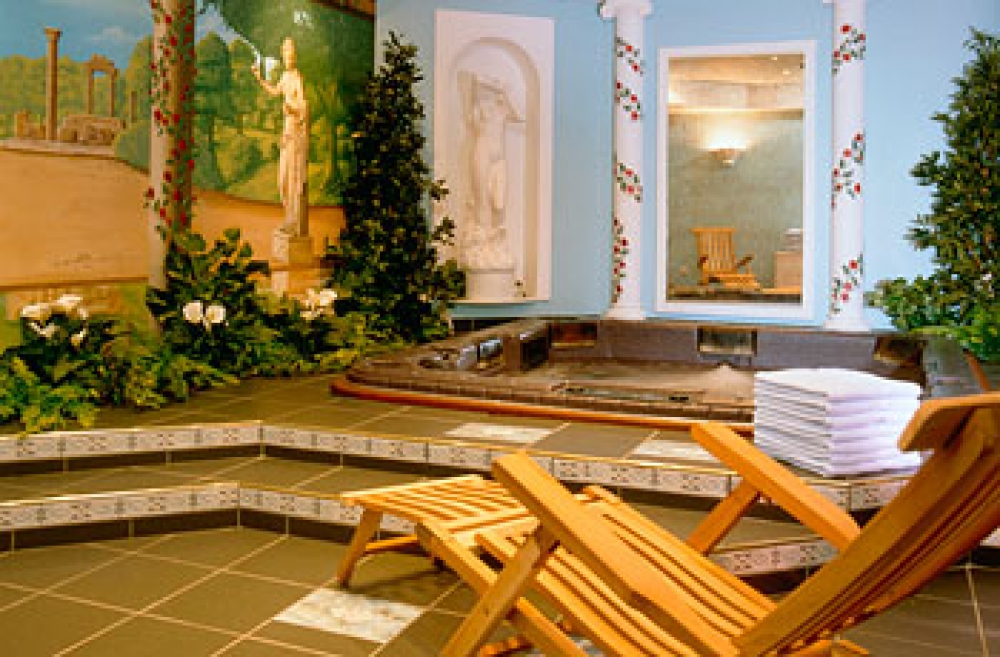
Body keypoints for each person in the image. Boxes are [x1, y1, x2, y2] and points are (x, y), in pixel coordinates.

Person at [251, 37, 309, 237]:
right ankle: (288, 217)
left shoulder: (298, 78)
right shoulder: (285, 76)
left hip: (295, 133)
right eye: (285, 54)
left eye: (290, 55)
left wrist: (292, 109)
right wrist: (259, 78)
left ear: (296, 57)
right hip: (287, 132)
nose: (287, 58)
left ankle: (293, 221)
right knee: (282, 180)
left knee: (292, 178)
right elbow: (275, 91)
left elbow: (303, 106)